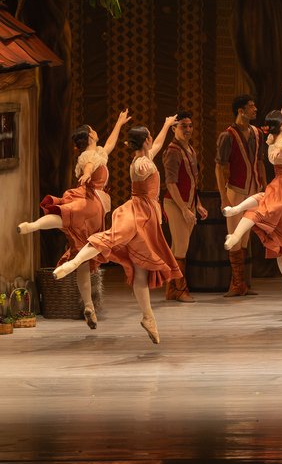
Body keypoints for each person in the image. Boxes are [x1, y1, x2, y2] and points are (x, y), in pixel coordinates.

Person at [54, 115, 183, 344]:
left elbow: (158, 144)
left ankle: (148, 318)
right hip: (138, 214)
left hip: (147, 217)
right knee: (109, 238)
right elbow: (142, 169)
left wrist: (165, 124)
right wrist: (143, 164)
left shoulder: (148, 155)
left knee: (140, 268)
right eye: (150, 136)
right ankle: (74, 263)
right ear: (144, 140)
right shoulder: (140, 162)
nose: (153, 139)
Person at [18, 110, 129, 328]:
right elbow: (88, 165)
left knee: (73, 235)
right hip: (92, 204)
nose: (96, 132)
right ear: (89, 137)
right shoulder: (88, 157)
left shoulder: (96, 153)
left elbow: (109, 147)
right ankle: (33, 226)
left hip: (92, 206)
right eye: (93, 131)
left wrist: (119, 122)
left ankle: (89, 305)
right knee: (67, 218)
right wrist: (87, 174)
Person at [221, 82, 282, 309]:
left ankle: (236, 215)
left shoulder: (273, 138)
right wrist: (280, 151)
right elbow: (275, 155)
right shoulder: (277, 144)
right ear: (281, 126)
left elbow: (281, 115)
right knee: (263, 211)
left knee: (260, 204)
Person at [216, 94, 267, 297]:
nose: (255, 110)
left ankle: (243, 284)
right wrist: (223, 197)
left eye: (254, 106)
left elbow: (261, 161)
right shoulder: (227, 136)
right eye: (251, 107)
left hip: (254, 190)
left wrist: (267, 186)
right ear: (241, 111)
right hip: (236, 190)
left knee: (245, 238)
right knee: (234, 237)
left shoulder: (256, 133)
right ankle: (236, 283)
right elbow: (219, 167)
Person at [161, 110, 207, 303]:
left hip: (187, 203)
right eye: (183, 126)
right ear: (174, 129)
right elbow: (171, 183)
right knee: (181, 247)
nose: (188, 129)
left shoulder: (190, 149)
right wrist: (184, 209)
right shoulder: (173, 151)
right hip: (175, 203)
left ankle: (171, 289)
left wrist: (198, 204)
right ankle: (180, 289)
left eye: (190, 126)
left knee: (177, 247)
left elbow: (193, 181)